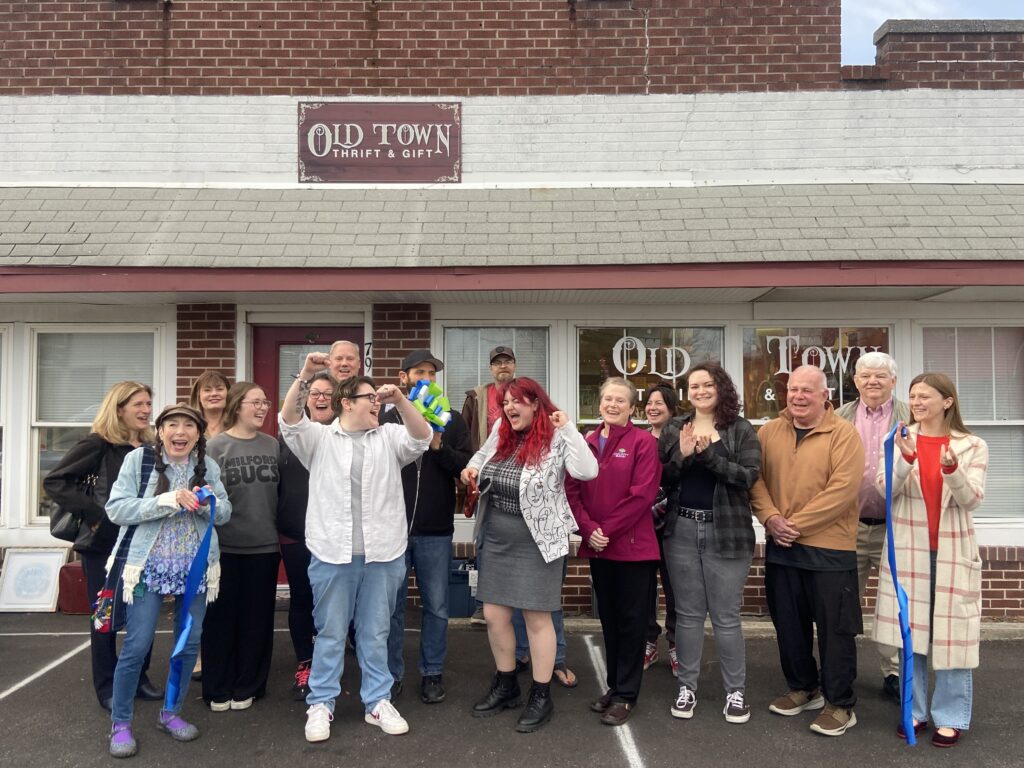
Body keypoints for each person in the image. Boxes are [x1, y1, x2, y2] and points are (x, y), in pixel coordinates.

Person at [279, 355, 432, 743]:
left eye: (378, 399)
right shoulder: (319, 438)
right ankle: (321, 703)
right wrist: (306, 375)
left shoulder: (390, 437)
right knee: (330, 632)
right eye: (370, 398)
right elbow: (289, 419)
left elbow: (422, 437)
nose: (376, 404)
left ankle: (377, 701)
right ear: (346, 403)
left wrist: (401, 400)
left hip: (384, 553)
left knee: (375, 632)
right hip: (332, 553)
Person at [462, 377, 598, 733]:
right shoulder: (501, 430)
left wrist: (568, 428)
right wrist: (471, 469)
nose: (509, 408)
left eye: (517, 401)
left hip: (539, 539)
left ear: (536, 403)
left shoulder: (556, 436)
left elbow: (587, 471)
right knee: (494, 614)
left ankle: (540, 694)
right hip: (497, 535)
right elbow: (481, 456)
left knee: (537, 617)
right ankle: (506, 683)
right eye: (505, 402)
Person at [105, 404, 232, 758]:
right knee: (137, 645)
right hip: (147, 569)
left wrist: (206, 503)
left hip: (196, 570)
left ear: (198, 434)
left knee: (188, 645)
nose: (180, 432)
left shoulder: (207, 466)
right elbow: (116, 508)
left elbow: (225, 512)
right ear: (160, 432)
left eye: (189, 426)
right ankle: (120, 722)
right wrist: (167, 499)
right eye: (172, 424)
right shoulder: (139, 461)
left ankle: (171, 713)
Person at [750, 365, 865, 737]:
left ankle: (840, 704)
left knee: (836, 630)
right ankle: (804, 687)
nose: (798, 396)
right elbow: (755, 480)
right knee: (788, 624)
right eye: (793, 389)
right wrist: (770, 518)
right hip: (782, 546)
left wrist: (794, 525)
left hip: (830, 549)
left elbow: (842, 490)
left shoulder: (844, 434)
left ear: (824, 395)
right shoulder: (769, 432)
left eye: (807, 391)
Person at [873, 373, 987, 748]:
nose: (917, 402)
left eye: (925, 396)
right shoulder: (898, 439)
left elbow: (972, 499)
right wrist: (905, 459)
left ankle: (951, 716)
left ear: (947, 401)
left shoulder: (972, 445)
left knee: (954, 638)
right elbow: (883, 490)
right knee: (912, 635)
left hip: (953, 552)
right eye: (913, 396)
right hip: (910, 553)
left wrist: (952, 471)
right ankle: (915, 711)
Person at [43, 381, 161, 713]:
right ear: (119, 409)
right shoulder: (98, 444)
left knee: (142, 615)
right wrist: (98, 514)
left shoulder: (151, 446)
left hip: (143, 544)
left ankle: (137, 678)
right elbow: (55, 481)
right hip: (103, 547)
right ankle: (107, 685)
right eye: (138, 404)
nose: (146, 410)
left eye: (148, 404)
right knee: (105, 616)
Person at [657, 363, 761, 724]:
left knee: (726, 616)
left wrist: (708, 457)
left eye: (707, 385)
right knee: (687, 615)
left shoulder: (740, 429)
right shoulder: (675, 427)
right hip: (682, 530)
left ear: (721, 388)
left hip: (726, 531)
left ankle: (736, 693)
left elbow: (748, 476)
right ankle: (687, 688)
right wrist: (683, 455)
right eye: (694, 386)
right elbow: (663, 478)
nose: (700, 391)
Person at [566, 378, 661, 726]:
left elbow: (642, 495)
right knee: (609, 621)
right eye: (608, 398)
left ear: (632, 408)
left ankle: (626, 695)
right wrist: (588, 529)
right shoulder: (586, 442)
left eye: (621, 400)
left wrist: (605, 531)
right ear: (599, 403)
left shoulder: (643, 442)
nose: (613, 405)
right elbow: (571, 491)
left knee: (632, 624)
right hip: (599, 548)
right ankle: (615, 686)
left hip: (633, 550)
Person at [383, 349, 472, 705]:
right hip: (392, 529)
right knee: (392, 608)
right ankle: (391, 675)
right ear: (403, 377)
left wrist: (438, 447)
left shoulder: (450, 418)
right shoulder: (387, 416)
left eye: (432, 373)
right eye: (419, 372)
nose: (427, 378)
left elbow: (465, 466)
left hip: (435, 529)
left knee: (436, 606)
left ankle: (432, 672)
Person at [835, 351, 908, 704]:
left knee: (894, 604)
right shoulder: (840, 417)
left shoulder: (911, 416)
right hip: (849, 526)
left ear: (893, 381)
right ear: (856, 381)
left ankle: (894, 673)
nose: (873, 381)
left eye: (880, 375)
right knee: (844, 603)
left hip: (896, 528)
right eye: (866, 375)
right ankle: (840, 672)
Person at [202, 382, 280, 712]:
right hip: (225, 548)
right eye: (255, 402)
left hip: (264, 547)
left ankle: (249, 685)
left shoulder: (272, 445)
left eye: (265, 403)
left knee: (257, 621)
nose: (262, 408)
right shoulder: (215, 446)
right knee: (219, 620)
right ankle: (218, 687)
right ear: (237, 406)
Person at [277, 371, 335, 700]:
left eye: (328, 393)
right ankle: (306, 664)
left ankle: (332, 665)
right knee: (302, 599)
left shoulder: (346, 435)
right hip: (295, 532)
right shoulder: (288, 436)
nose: (321, 398)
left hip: (333, 535)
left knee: (334, 604)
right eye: (315, 393)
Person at [642, 383, 680, 675]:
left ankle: (677, 644)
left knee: (675, 589)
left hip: (674, 526)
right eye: (649, 403)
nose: (652, 408)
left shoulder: (681, 439)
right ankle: (648, 641)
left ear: (672, 408)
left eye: (659, 403)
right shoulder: (640, 439)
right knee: (643, 589)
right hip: (642, 526)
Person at [189, 371, 231, 440]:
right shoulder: (189, 425)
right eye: (207, 390)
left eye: (220, 389)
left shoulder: (237, 424)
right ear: (198, 396)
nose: (214, 394)